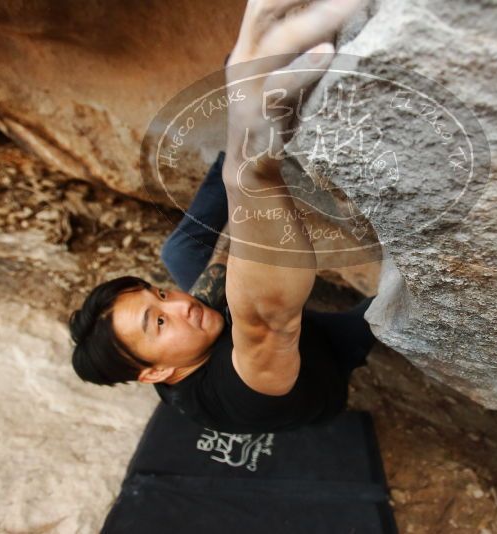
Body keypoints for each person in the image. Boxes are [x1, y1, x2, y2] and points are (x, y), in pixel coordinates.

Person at [68, 0, 374, 433]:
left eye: (159, 295)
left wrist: (245, 127)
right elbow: (267, 322)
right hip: (327, 356)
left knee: (178, 251)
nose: (179, 305)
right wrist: (250, 167)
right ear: (154, 374)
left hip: (267, 329)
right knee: (400, 302)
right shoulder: (237, 395)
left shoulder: (181, 337)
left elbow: (221, 264)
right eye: (158, 322)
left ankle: (251, 120)